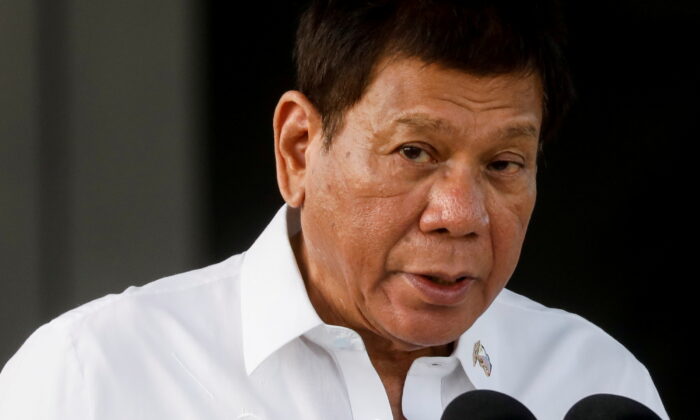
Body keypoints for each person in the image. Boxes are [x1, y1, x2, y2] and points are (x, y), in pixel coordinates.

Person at [0, 1, 668, 419]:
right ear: (297, 149)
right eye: (413, 151)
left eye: (503, 165)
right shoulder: (95, 376)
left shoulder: (595, 380)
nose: (461, 214)